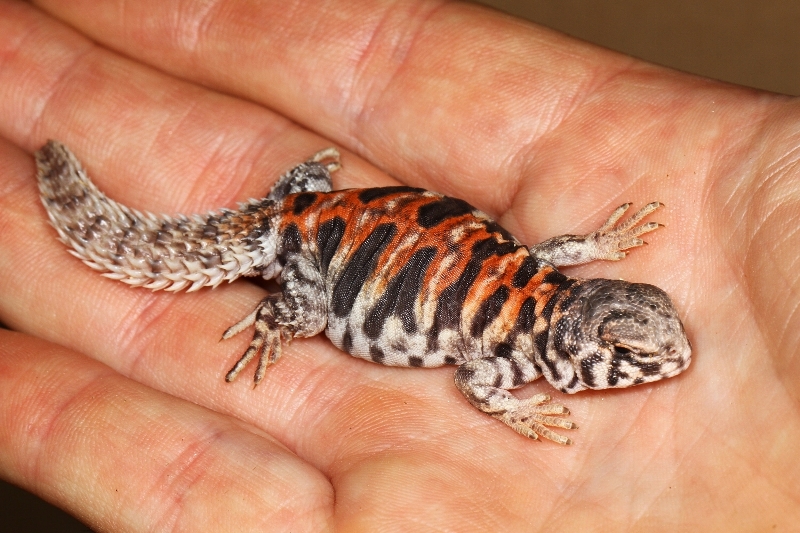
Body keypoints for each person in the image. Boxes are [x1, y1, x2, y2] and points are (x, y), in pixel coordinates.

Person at [0, 1, 796, 530]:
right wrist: (517, 411)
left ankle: (296, 197)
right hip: (306, 248)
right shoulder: (513, 346)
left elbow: (545, 262)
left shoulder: (541, 286)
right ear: (583, 341)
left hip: (312, 211)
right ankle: (281, 302)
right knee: (303, 308)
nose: (670, 354)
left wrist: (596, 249)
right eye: (634, 350)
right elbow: (478, 381)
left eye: (642, 346)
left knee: (304, 228)